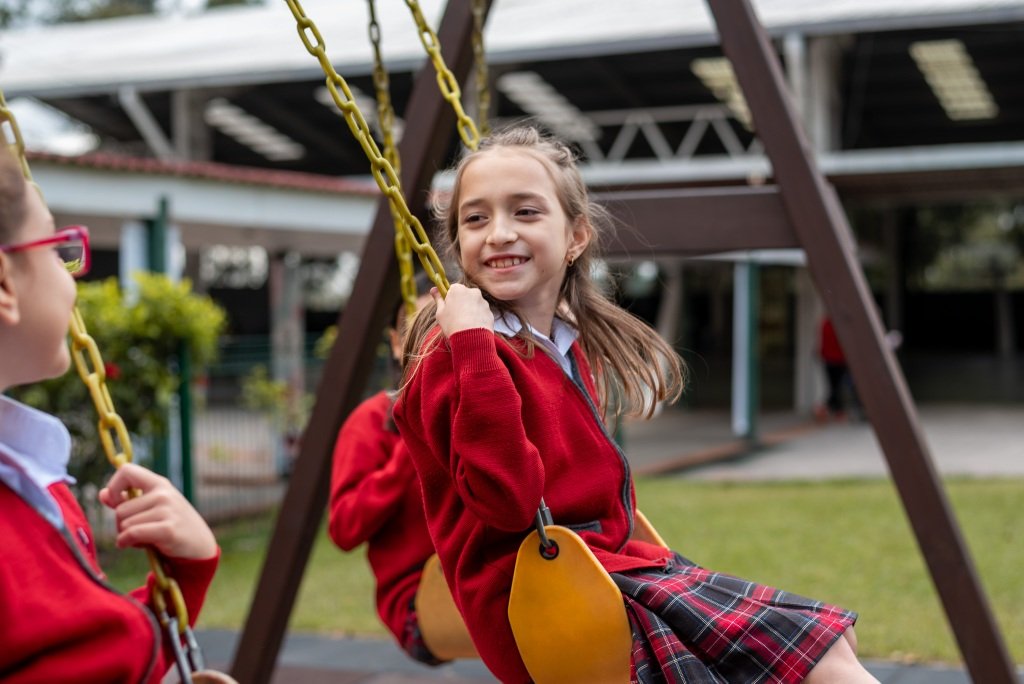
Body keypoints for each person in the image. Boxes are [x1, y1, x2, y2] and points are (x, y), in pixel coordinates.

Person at [394, 125, 877, 683]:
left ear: (575, 236)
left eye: (525, 212)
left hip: (612, 569)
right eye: (476, 219)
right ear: (457, 242)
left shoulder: (563, 343)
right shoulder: (456, 353)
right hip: (538, 599)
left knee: (829, 644)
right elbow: (507, 503)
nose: (499, 233)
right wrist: (473, 348)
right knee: (816, 661)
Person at [0, 147, 220, 682]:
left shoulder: (28, 477)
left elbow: (95, 653)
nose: (72, 276)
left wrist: (183, 574)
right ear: (5, 283)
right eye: (56, 247)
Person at [327, 278, 441, 663]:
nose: (430, 342)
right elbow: (343, 529)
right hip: (417, 598)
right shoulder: (371, 421)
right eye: (418, 329)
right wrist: (410, 447)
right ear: (396, 342)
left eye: (442, 326)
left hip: (482, 577)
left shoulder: (476, 407)